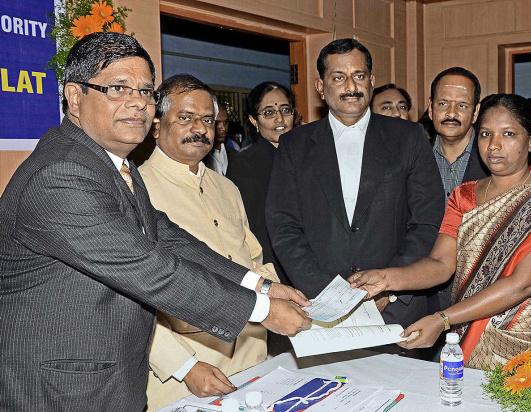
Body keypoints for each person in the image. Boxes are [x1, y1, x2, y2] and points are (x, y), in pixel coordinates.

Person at [0, 33, 310, 410]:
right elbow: (151, 268)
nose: (137, 104)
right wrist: (259, 309)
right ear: (75, 97)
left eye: (146, 92)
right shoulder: (61, 173)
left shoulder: (112, 164)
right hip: (60, 388)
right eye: (118, 88)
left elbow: (164, 236)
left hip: (110, 378)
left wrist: (258, 284)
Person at [349, 94, 531, 404]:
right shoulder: (464, 196)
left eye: (508, 134)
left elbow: (524, 283)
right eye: (485, 134)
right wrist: (388, 279)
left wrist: (442, 320)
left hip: (529, 336)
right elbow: (440, 263)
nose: (493, 145)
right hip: (469, 327)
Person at [266, 38, 446, 346]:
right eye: (338, 77)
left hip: (397, 310)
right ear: (321, 87)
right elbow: (283, 225)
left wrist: (391, 286)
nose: (351, 86)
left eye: (359, 76)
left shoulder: (409, 138)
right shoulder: (295, 145)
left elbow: (427, 219)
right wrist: (332, 296)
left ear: (372, 81)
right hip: (321, 311)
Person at [139, 74, 285, 409]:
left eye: (207, 120)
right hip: (187, 372)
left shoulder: (226, 187)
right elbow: (134, 302)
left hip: (253, 356)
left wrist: (279, 299)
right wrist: (182, 366)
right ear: (157, 125)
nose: (200, 128)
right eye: (186, 118)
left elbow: (253, 260)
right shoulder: (137, 190)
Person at [227, 81, 296, 286]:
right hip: (273, 269)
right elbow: (252, 228)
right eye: (268, 113)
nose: (280, 119)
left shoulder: (307, 156)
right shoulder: (245, 164)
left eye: (285, 110)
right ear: (253, 121)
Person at [428, 67, 489, 200]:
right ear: (431, 108)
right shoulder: (415, 154)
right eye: (443, 104)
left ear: (476, 112)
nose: (451, 113)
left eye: (462, 105)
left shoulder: (492, 156)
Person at [203, 102, 230, 175]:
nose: (223, 128)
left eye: (226, 122)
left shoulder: (236, 155)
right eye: (217, 123)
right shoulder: (199, 158)